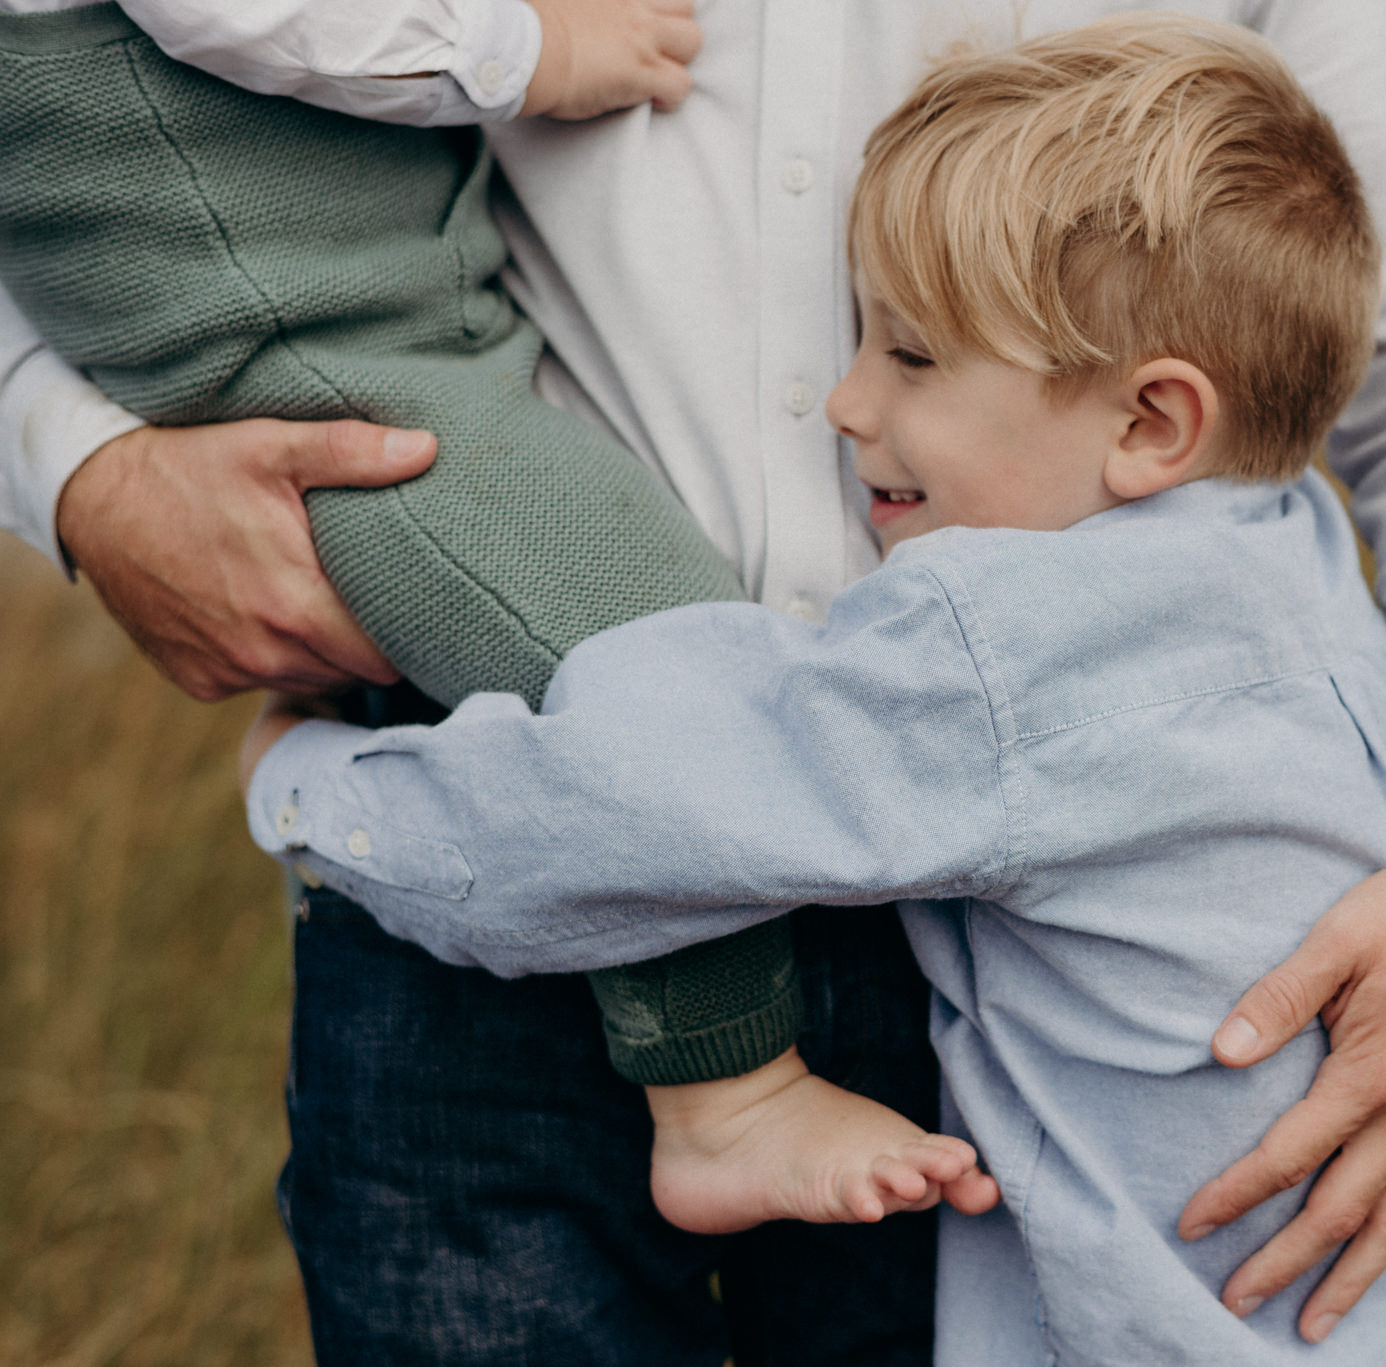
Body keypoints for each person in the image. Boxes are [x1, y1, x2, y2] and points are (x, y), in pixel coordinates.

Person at [0, 0, 1386, 1359]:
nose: (843, 400)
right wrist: (67, 459)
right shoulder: (1266, 576)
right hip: (517, 887)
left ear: (1156, 418)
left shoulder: (1034, 648)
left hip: (717, 880)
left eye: (909, 354)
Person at [0, 0, 985, 1242]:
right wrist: (523, 48)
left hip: (402, 293)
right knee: (645, 649)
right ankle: (728, 1099)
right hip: (338, 347)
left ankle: (300, 772)